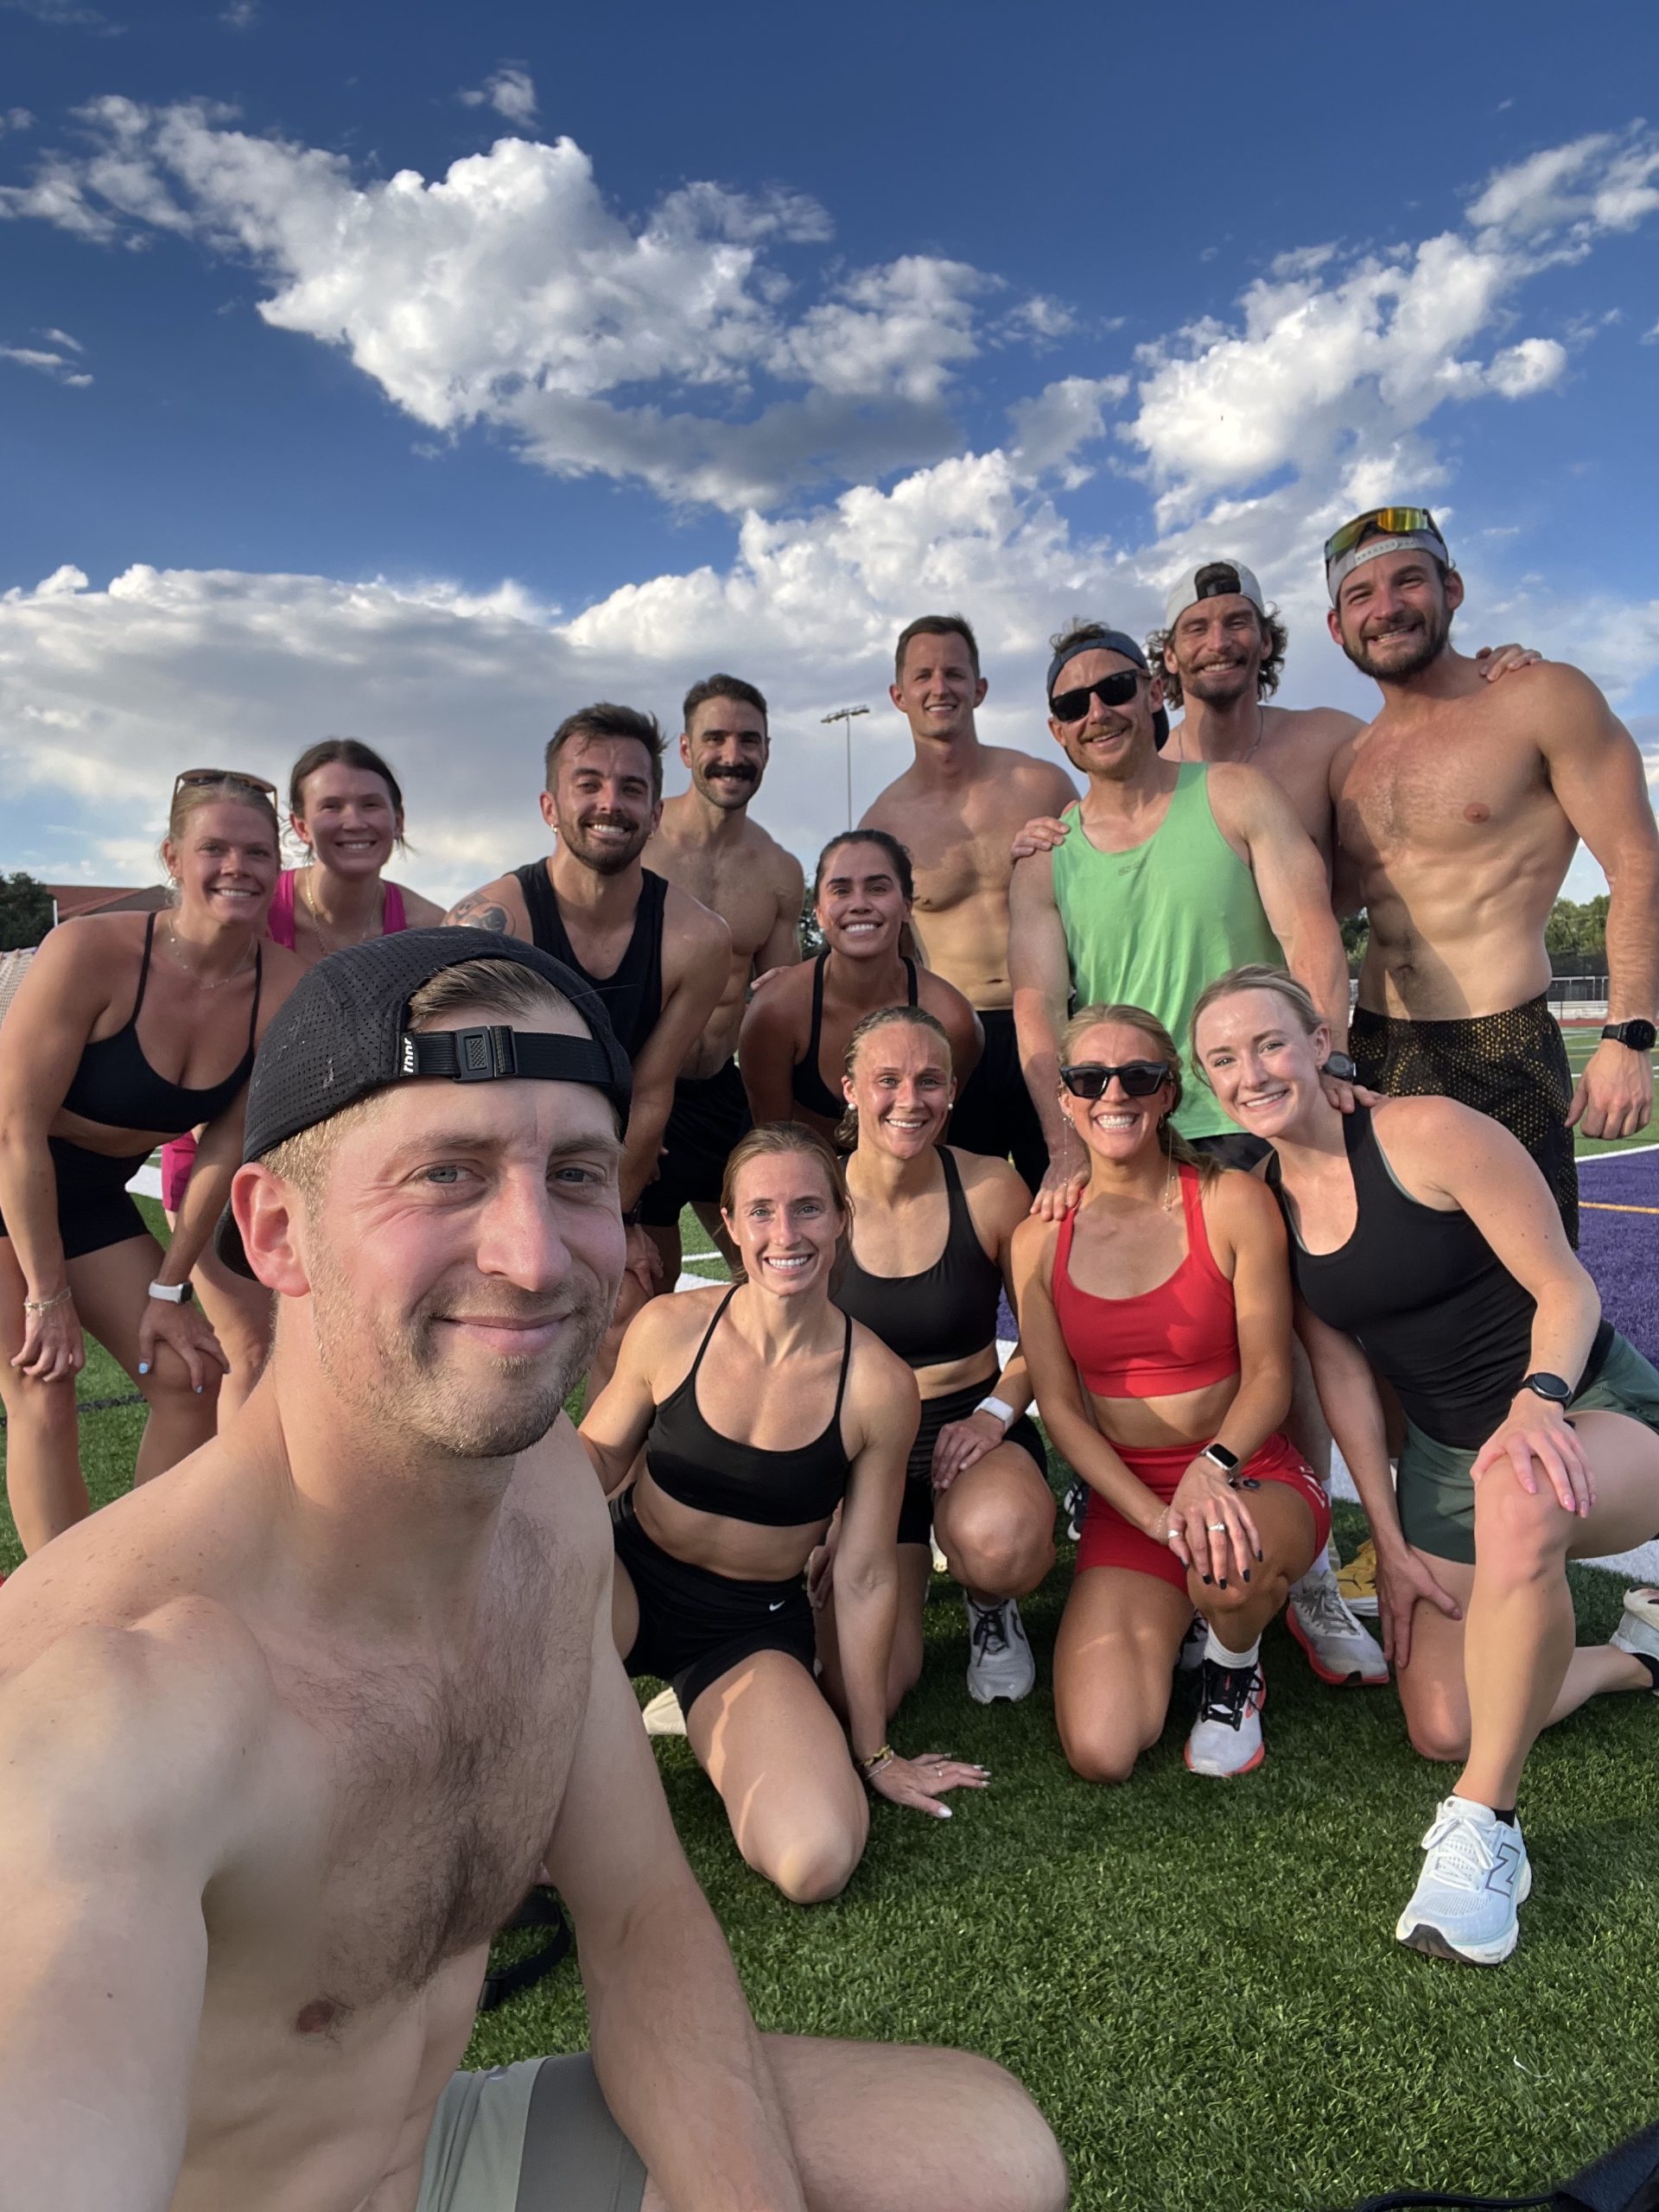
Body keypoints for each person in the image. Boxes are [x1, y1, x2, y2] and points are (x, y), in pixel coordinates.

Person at [0, 931, 1067, 2209]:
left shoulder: (548, 1497)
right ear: (277, 1232)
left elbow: (640, 1918)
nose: (536, 1254)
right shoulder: (111, 1699)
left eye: (573, 1175)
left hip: (440, 2145)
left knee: (983, 2155)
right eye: (445, 1174)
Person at [1191, 964, 1659, 1965]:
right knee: (1446, 1721)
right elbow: (1342, 1375)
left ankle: (1486, 1828)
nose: (1251, 1072)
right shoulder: (1270, 1198)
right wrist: (1392, 1539)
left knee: (1517, 1487)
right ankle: (1636, 1656)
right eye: (1223, 1059)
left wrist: (1537, 1401)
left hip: (1590, 1409)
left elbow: (1567, 1290)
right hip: (1451, 1460)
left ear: (1319, 1044)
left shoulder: (1426, 1132)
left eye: (1269, 1044)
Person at [580, 1122, 990, 1905]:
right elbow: (597, 1456)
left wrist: (874, 1753)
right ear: (731, 1226)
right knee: (519, 1642)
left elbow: (864, 1575)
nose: (785, 1234)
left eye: (807, 1208)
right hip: (626, 1576)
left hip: (745, 1626)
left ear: (840, 1219)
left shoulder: (877, 1385)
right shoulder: (671, 1328)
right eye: (761, 1211)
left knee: (816, 1859)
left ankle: (703, 1715)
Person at [1010, 1003, 1328, 1782]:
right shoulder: (1037, 1239)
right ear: (1066, 1097)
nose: (1114, 1093)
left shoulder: (1230, 1201)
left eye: (1138, 1075)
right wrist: (1152, 1516)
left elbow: (1272, 1375)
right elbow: (1061, 1412)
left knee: (1230, 1566)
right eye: (1091, 1078)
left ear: (1168, 1092)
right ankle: (1192, 1604)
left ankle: (1233, 1666)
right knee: (1101, 1750)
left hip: (1247, 1475)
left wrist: (1210, 1469)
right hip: (1132, 1501)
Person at [1325, 505, 1659, 1245]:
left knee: (1527, 1284)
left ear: (1452, 589)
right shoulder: (1351, 760)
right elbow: (1321, 900)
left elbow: (1638, 862)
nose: (1386, 607)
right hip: (1373, 1048)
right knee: (1384, 1281)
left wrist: (1629, 1034)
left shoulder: (1540, 697)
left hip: (1500, 1046)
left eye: (1408, 581)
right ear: (1337, 627)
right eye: (1361, 595)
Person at [0, 770, 304, 1554]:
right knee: (42, 1381)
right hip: (8, 1179)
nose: (237, 867)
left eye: (257, 852)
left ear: (279, 864)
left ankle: (139, 1574)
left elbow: (224, 1147)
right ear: (173, 856)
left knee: (188, 1375)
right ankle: (59, 1602)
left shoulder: (285, 986)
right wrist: (46, 1295)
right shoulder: (90, 951)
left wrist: (169, 1289)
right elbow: (15, 1131)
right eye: (214, 848)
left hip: (92, 1194)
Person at [1009, 621, 1350, 1203]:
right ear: (1057, 729)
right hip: (1130, 1126)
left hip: (1256, 1112)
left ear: (1152, 692)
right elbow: (1038, 1009)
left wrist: (1330, 1064)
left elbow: (1309, 936)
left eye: (1115, 689)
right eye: (1073, 705)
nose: (1097, 713)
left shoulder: (1238, 795)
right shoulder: (1046, 857)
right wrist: (1065, 1145)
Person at [443, 701, 730, 1377]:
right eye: (589, 783)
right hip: (493, 1152)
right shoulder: (490, 926)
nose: (610, 803)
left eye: (631, 788)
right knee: (483, 1336)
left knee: (623, 1310)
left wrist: (616, 1223)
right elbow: (465, 1096)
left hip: (598, 1155)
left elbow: (651, 1093)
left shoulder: (697, 938)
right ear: (550, 806)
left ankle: (601, 1455)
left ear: (655, 813)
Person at [161, 737, 444, 1415]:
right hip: (226, 1160)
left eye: (371, 804)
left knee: (354, 1353)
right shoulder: (251, 908)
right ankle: (245, 1489)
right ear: (298, 824)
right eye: (332, 806)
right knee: (253, 1351)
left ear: (399, 819)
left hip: (354, 1168)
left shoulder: (428, 928)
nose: (353, 821)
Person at [826, 1006, 1055, 1707]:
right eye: (887, 1080)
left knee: (1001, 1544)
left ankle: (989, 1602)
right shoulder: (816, 1198)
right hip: (862, 1446)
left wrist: (993, 1416)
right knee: (861, 1688)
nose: (910, 1099)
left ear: (953, 1091)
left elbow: (1047, 1338)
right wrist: (813, 1499)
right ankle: (902, 1572)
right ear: (850, 1089)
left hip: (970, 1425)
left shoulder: (991, 1188)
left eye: (929, 1080)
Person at [859, 613, 1077, 1192]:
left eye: (954, 673)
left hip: (1053, 1021)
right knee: (959, 1205)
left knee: (1074, 1195)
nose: (941, 687)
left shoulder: (1042, 785)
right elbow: (877, 951)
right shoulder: (883, 823)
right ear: (898, 695)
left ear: (979, 688)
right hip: (955, 1037)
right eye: (923, 675)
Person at [1146, 559, 1541, 861]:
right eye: (1197, 629)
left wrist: (1480, 681)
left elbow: (1432, 763)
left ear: (1265, 642)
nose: (1218, 643)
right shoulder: (1147, 772)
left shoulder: (1330, 744)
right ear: (1170, 656)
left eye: (1237, 623)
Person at [639, 672, 804, 1279]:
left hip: (721, 1093)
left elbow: (780, 1005)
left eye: (748, 740)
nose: (732, 756)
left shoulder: (778, 871)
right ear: (686, 750)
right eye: (715, 739)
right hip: (641, 1092)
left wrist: (782, 1118)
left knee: (765, 1272)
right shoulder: (639, 847)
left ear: (766, 751)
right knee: (643, 1285)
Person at [740, 830, 982, 1148]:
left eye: (877, 888)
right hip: (807, 1172)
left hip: (912, 1169)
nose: (859, 904)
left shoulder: (951, 1020)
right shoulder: (777, 1012)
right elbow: (771, 1144)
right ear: (819, 913)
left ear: (907, 906)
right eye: (841, 891)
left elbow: (933, 1145)